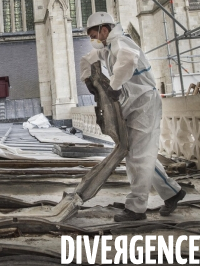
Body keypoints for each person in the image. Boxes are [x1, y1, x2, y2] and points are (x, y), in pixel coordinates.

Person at [80, 12, 186, 221]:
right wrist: (87, 81)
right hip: (134, 104)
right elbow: (86, 60)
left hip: (144, 103)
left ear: (104, 30)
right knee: (138, 154)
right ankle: (172, 192)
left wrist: (114, 86)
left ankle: (136, 208)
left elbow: (128, 61)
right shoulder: (107, 48)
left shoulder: (121, 42)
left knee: (138, 156)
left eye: (94, 35)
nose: (93, 40)